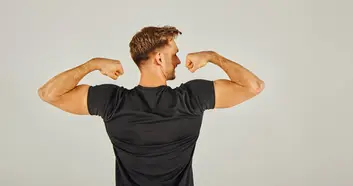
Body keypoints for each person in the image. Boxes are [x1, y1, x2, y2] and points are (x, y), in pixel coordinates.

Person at [37, 26, 265, 186]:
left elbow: (49, 94)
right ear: (158, 58)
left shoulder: (112, 101)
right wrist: (213, 57)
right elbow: (253, 86)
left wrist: (92, 65)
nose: (178, 60)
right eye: (174, 54)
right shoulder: (192, 97)